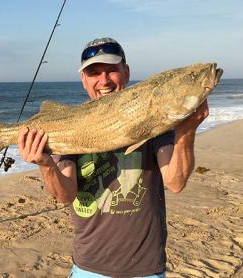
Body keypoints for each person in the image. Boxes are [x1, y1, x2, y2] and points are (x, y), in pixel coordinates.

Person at [18, 37, 208, 277]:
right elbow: (66, 195)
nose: (104, 80)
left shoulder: (154, 120)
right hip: (89, 267)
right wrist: (45, 164)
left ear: (126, 72)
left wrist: (186, 130)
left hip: (146, 268)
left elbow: (176, 182)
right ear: (84, 80)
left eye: (111, 71)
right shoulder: (70, 124)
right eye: (94, 73)